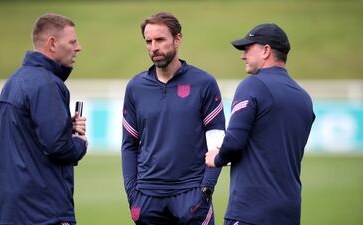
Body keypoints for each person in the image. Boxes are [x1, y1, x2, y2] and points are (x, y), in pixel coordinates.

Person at [205, 23, 315, 225]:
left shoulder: (252, 85)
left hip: (251, 212)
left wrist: (217, 158)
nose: (243, 55)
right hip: (289, 213)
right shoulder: (304, 98)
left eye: (247, 48)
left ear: (265, 50)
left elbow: (234, 143)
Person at [122, 12, 226, 225]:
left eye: (160, 40)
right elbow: (129, 145)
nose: (153, 47)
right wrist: (132, 192)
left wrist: (206, 189)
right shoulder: (135, 87)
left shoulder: (204, 83)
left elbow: (217, 142)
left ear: (177, 39)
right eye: (148, 41)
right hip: (147, 197)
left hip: (191, 194)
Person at [0, 13, 88, 225]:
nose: (78, 47)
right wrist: (79, 142)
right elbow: (58, 147)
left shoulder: (13, 81)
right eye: (72, 41)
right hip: (45, 212)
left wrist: (65, 127)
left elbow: (30, 139)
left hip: (13, 212)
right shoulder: (47, 84)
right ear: (52, 43)